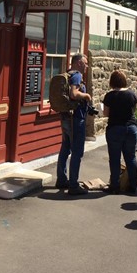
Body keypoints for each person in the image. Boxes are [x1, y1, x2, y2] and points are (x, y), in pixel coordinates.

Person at [55, 53, 92, 196]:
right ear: (78, 63)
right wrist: (87, 96)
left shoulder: (67, 74)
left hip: (66, 117)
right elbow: (73, 94)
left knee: (65, 148)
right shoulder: (76, 75)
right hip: (76, 119)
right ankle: (73, 185)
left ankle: (62, 179)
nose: (87, 66)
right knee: (77, 151)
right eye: (85, 63)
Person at [102, 70, 137, 194]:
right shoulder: (132, 94)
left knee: (114, 158)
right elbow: (134, 110)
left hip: (115, 128)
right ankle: (133, 185)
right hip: (131, 127)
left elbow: (106, 113)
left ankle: (115, 185)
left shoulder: (110, 96)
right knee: (131, 157)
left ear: (112, 82)